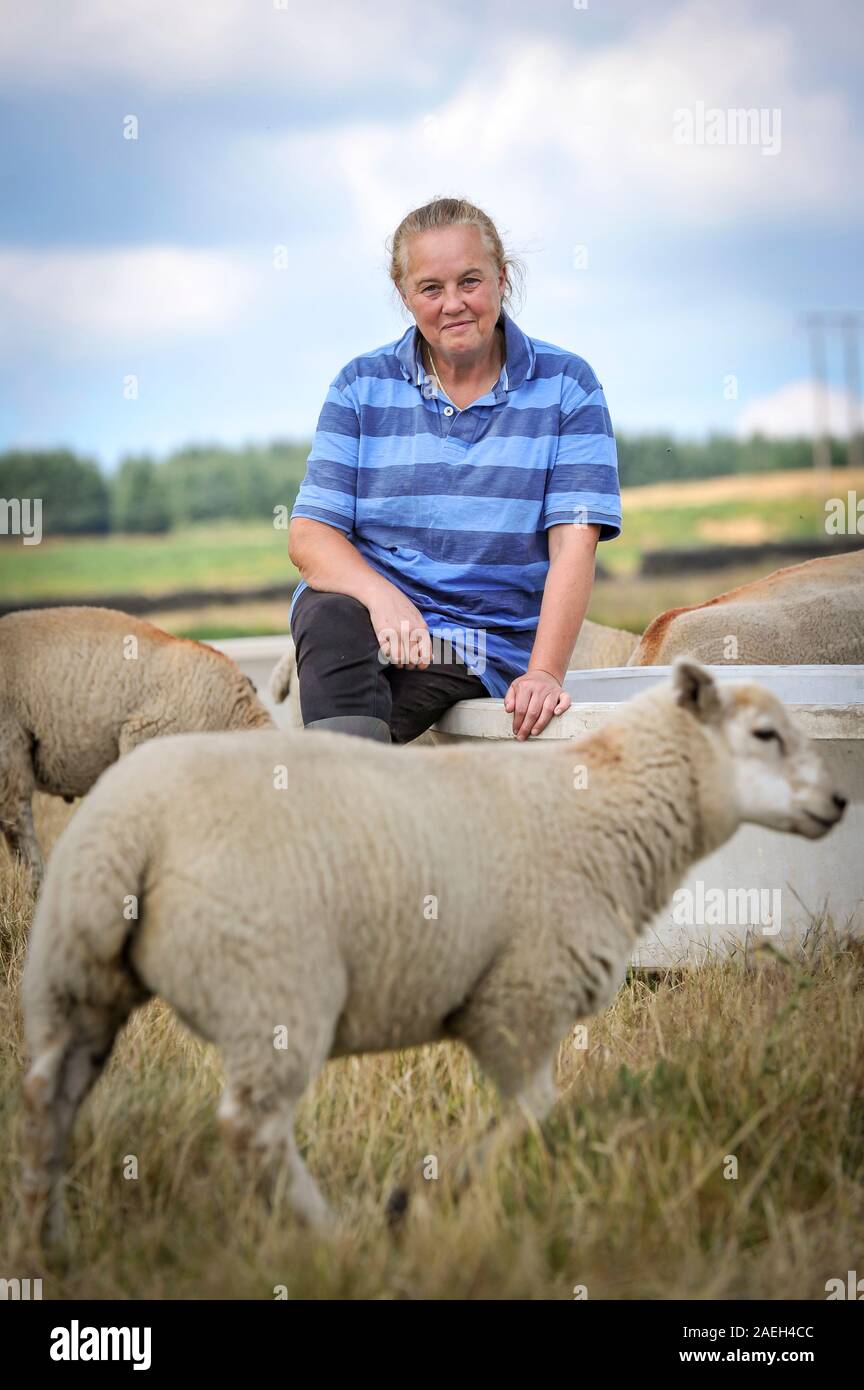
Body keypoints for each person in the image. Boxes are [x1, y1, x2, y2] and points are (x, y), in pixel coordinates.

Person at [288, 196, 622, 744]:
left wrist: (543, 672)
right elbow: (310, 536)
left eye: (470, 281)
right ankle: (339, 806)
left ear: (501, 279)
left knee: (363, 730)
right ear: (405, 296)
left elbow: (573, 546)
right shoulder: (360, 385)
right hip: (369, 617)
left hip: (481, 642)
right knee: (327, 617)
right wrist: (382, 596)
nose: (453, 305)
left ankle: (331, 804)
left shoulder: (568, 386)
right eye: (431, 289)